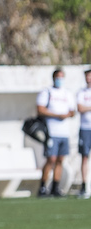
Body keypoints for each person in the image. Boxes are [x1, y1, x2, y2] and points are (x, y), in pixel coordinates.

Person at [37, 68, 75, 197]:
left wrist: (66, 115)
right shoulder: (47, 92)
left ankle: (55, 187)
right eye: (58, 77)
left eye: (62, 77)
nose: (60, 80)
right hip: (51, 132)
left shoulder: (67, 93)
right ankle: (43, 187)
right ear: (53, 78)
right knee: (51, 159)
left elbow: (72, 111)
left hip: (64, 133)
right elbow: (40, 109)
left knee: (60, 160)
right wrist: (57, 115)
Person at [76, 68, 91, 199]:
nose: (88, 78)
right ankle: (84, 185)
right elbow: (80, 108)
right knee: (84, 157)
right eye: (87, 76)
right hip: (85, 129)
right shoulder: (81, 92)